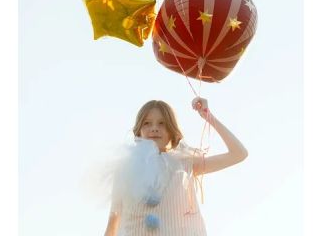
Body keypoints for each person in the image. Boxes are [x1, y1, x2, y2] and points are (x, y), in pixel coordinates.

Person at [104, 97, 248, 236]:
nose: (154, 128)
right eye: (147, 123)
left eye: (162, 123)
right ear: (139, 131)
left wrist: (208, 116)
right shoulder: (125, 170)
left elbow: (239, 154)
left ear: (172, 131)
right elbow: (113, 224)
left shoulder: (184, 165)